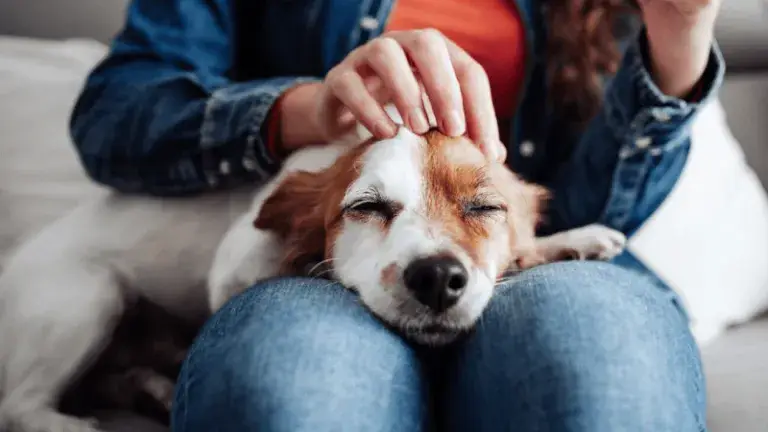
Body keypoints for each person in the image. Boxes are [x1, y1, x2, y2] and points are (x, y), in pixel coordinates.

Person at [70, 0, 723, 430]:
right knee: (291, 390)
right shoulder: (303, 215)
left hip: (525, 264)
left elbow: (579, 214)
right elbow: (111, 117)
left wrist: (679, 39)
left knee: (602, 372)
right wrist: (307, 108)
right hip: (324, 276)